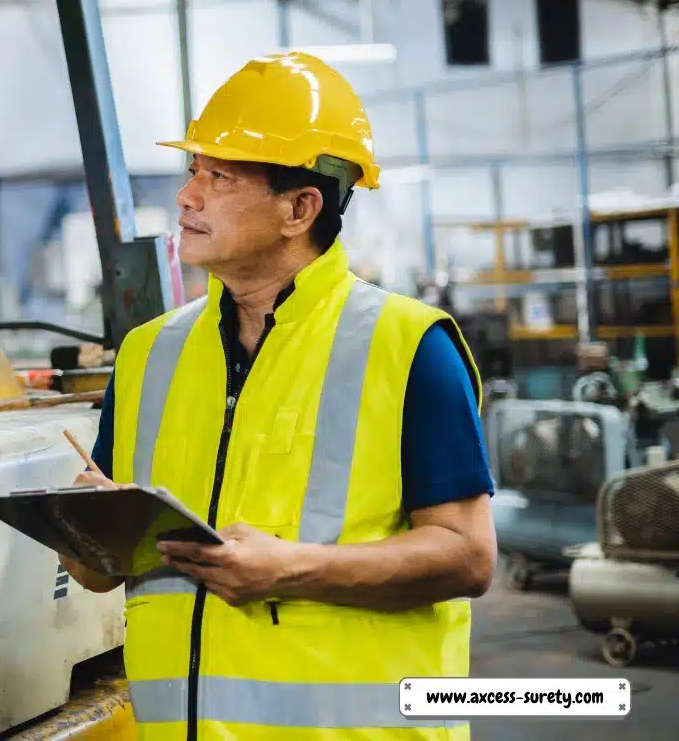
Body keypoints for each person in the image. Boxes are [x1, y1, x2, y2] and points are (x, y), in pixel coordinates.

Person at [63, 52, 496, 740]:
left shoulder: (410, 347)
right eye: (192, 172)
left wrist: (291, 569)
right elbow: (99, 572)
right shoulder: (148, 354)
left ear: (300, 207)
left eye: (220, 177)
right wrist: (83, 532)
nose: (187, 197)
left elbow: (467, 556)